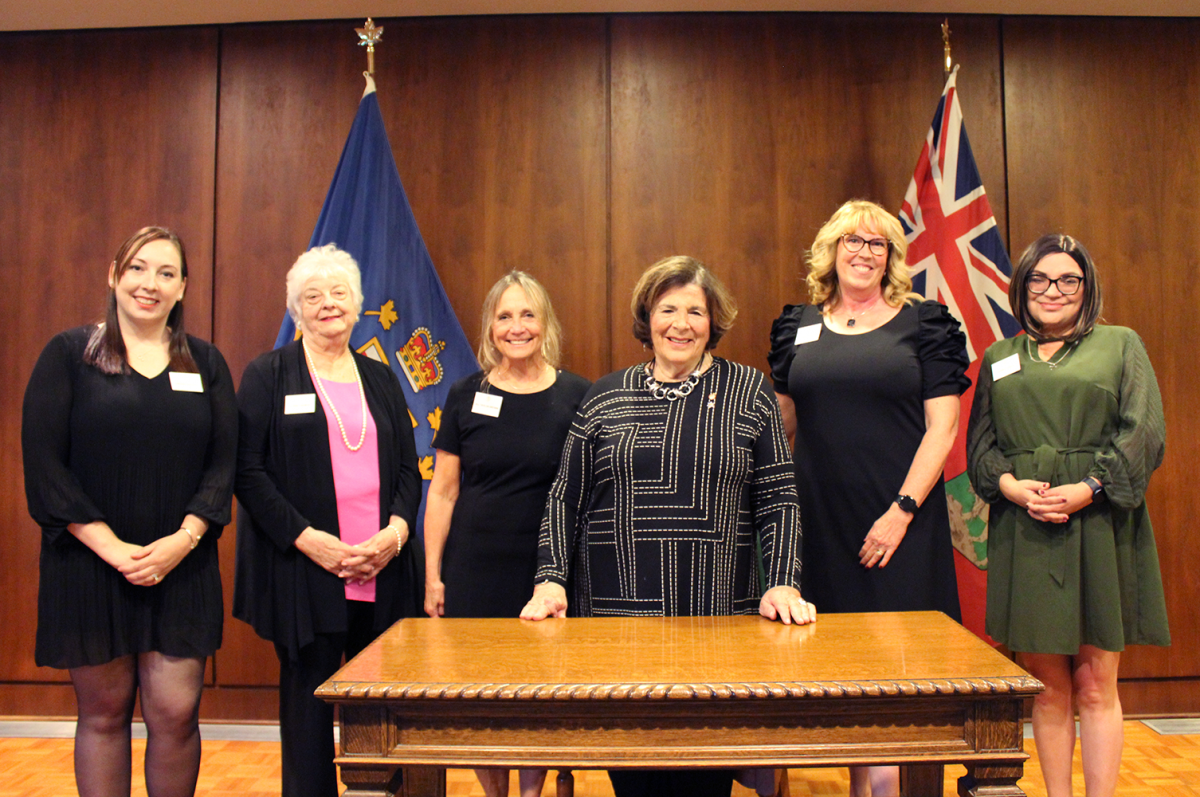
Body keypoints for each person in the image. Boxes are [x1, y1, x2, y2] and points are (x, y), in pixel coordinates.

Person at [522, 255, 815, 797]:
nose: (681, 324)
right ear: (647, 318)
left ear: (714, 322)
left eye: (695, 312)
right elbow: (566, 497)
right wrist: (551, 578)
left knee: (704, 774)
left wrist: (782, 579)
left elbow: (778, 498)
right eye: (668, 309)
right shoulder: (605, 395)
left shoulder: (749, 392)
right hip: (616, 624)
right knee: (635, 775)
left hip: (718, 619)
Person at [22, 226, 237, 797]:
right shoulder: (68, 355)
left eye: (166, 273)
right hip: (91, 565)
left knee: (174, 714)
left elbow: (224, 466)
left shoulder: (207, 364)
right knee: (103, 714)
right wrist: (114, 549)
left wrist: (183, 540)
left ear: (183, 286)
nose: (150, 283)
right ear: (114, 275)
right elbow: (45, 467)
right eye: (138, 268)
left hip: (182, 565)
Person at [767, 199, 969, 797]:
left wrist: (901, 511)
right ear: (831, 250)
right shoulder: (796, 325)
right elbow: (784, 424)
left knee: (908, 676)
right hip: (820, 521)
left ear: (891, 258)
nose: (862, 252)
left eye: (876, 244)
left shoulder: (923, 322)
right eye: (851, 241)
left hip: (900, 519)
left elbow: (943, 429)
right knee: (847, 678)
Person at [966, 234, 1168, 797]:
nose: (1053, 291)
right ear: (1022, 286)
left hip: (1100, 524)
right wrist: (1009, 485)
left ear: (1086, 288)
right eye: (1040, 280)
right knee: (1047, 687)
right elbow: (981, 447)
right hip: (1025, 527)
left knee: (1096, 682)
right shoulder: (999, 358)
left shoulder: (1120, 344)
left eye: (1067, 281)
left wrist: (1089, 486)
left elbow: (1145, 432)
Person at [233, 244, 423, 797]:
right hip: (307, 571)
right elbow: (248, 473)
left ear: (357, 304)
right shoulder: (268, 375)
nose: (328, 304)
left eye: (339, 293)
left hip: (382, 568)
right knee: (308, 707)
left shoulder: (381, 378)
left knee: (382, 708)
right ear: (296, 310)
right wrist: (309, 540)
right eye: (312, 296)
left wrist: (394, 534)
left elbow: (411, 471)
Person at [423, 270, 590, 797]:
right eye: (504, 316)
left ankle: (531, 792)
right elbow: (444, 492)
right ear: (489, 327)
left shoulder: (577, 395)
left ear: (545, 324)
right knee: (483, 698)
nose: (516, 327)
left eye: (527, 315)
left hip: (546, 569)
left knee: (539, 694)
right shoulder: (464, 394)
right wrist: (432, 575)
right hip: (474, 566)